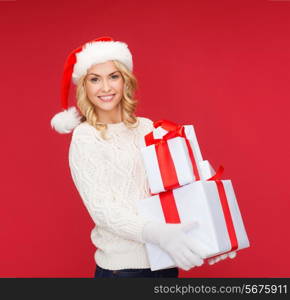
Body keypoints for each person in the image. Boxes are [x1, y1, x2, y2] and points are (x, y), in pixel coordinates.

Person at [50, 36, 236, 278]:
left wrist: (214, 230)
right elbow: (103, 210)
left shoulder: (147, 127)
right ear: (84, 87)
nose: (105, 88)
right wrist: (157, 233)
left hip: (166, 261)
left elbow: (180, 183)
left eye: (113, 76)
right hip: (123, 270)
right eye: (95, 79)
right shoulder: (86, 137)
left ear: (125, 80)